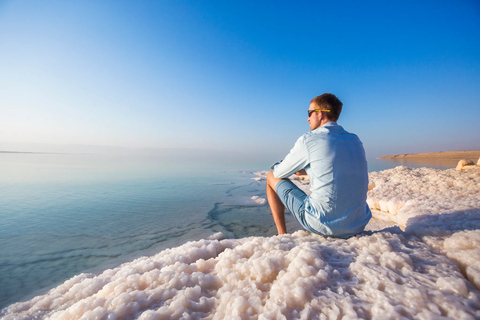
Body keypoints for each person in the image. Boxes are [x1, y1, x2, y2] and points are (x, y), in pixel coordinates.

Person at [266, 93, 371, 238]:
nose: (307, 118)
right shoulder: (355, 140)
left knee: (271, 176)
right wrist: (308, 170)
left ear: (320, 114)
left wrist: (281, 165)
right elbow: (337, 169)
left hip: (324, 224)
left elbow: (279, 173)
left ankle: (281, 235)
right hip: (357, 224)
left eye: (309, 113)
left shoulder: (310, 139)